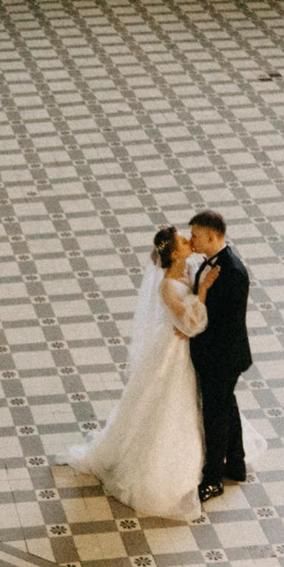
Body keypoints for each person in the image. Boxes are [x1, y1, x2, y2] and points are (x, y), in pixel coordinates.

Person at [63, 226, 211, 520]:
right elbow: (190, 323)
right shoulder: (168, 286)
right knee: (167, 402)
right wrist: (203, 291)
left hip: (183, 345)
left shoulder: (191, 268)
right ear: (173, 253)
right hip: (172, 348)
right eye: (183, 241)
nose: (188, 242)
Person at [187, 210, 253, 503]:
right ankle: (236, 463)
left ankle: (213, 477)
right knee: (226, 406)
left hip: (221, 358)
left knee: (215, 416)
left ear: (212, 236)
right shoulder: (212, 264)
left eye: (196, 236)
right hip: (219, 356)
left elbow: (226, 323)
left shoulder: (232, 272)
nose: (192, 240)